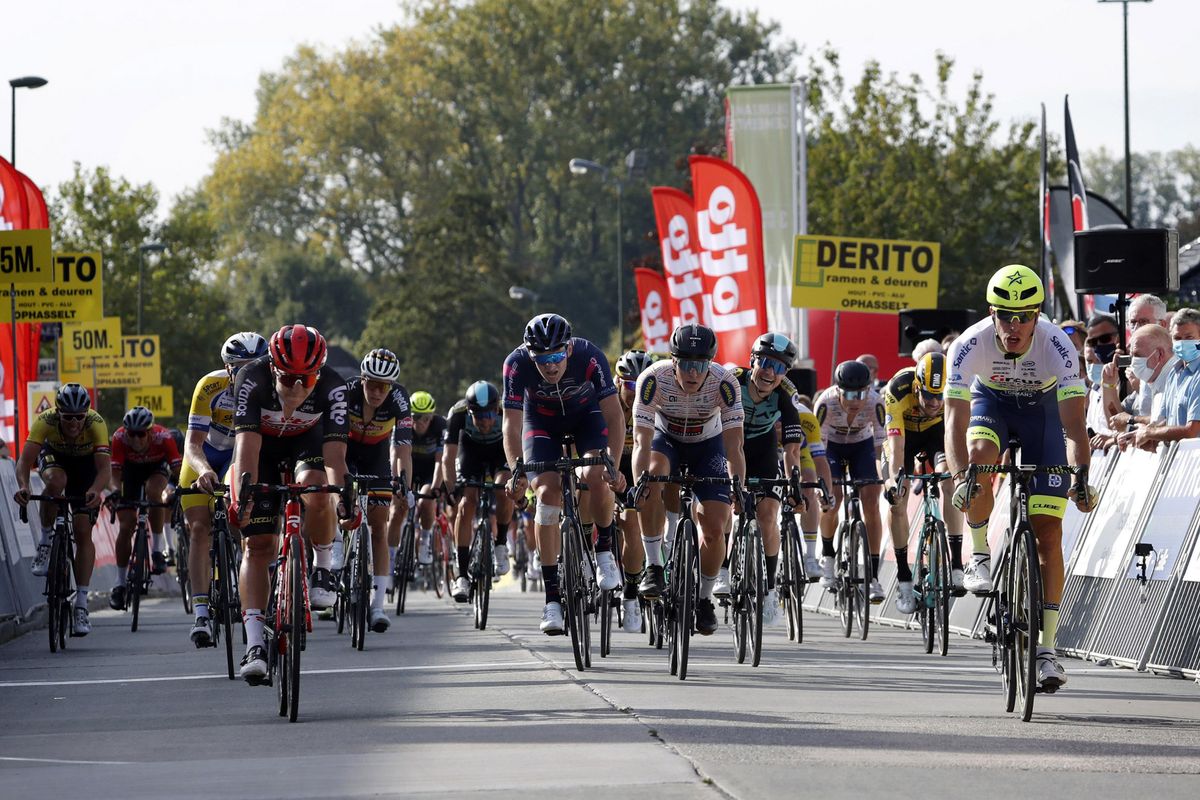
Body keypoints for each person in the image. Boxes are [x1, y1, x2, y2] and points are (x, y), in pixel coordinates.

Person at [945, 264, 1098, 690]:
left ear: (1036, 316)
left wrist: (1080, 474)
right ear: (991, 313)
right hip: (990, 403)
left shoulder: (1058, 345)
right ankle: (978, 555)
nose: (1014, 326)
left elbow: (1073, 425)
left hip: (1044, 413)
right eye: (1005, 315)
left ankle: (1047, 650)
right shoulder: (967, 345)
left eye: (1024, 316)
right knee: (978, 459)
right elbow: (954, 424)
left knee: (1049, 533)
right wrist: (961, 477)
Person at [230, 324, 350, 681]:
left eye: (306, 379)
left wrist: (342, 497)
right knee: (258, 544)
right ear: (272, 369)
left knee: (318, 488)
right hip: (263, 450)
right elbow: (246, 452)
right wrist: (243, 498)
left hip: (307, 446)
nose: (297, 387)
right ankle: (254, 645)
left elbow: (335, 458)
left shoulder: (333, 387)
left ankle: (323, 567)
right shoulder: (251, 380)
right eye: (288, 378)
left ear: (319, 373)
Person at [502, 314, 626, 635]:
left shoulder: (589, 355)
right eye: (542, 359)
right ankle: (553, 599)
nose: (551, 366)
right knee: (546, 493)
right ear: (530, 355)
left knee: (597, 474)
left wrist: (613, 460)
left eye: (556, 357)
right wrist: (516, 469)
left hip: (587, 418)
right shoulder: (515, 364)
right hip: (541, 424)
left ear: (568, 349)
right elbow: (511, 425)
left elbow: (614, 414)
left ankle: (603, 552)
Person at [629, 323, 744, 636]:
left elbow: (734, 445)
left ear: (710, 363)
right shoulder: (653, 379)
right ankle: (654, 566)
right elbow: (641, 440)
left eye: (701, 365)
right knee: (652, 477)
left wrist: (738, 487)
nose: (693, 373)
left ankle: (704, 598)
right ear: (673, 360)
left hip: (709, 445)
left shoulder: (725, 382)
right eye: (686, 364)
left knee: (716, 526)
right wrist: (639, 482)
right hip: (666, 441)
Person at [180, 331, 267, 646]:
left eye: (253, 365)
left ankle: (252, 604)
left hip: (241, 458)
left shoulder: (267, 387)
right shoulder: (210, 386)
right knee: (199, 528)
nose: (245, 372)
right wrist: (203, 471)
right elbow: (192, 444)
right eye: (238, 366)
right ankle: (201, 612)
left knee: (248, 528)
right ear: (227, 368)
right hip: (207, 455)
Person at [729, 332, 822, 626]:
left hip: (763, 446)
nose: (770, 372)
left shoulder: (786, 394)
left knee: (769, 513)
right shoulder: (731, 380)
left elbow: (792, 449)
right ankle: (720, 570)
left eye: (779, 367)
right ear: (752, 360)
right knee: (723, 504)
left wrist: (794, 486)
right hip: (727, 441)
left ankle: (768, 589)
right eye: (766, 363)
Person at [13, 384, 110, 636]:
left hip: (85, 467)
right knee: (56, 483)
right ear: (58, 413)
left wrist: (96, 490)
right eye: (68, 417)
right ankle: (45, 544)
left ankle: (81, 605)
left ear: (86, 413)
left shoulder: (96, 423)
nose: (75, 422)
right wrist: (24, 487)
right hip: (55, 458)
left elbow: (104, 470)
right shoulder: (45, 420)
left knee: (82, 531)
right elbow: (23, 461)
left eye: (80, 416)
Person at [882, 351, 965, 612]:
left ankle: (957, 564)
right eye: (929, 395)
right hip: (904, 437)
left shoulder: (953, 388)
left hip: (935, 434)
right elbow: (896, 446)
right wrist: (895, 481)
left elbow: (958, 432)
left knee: (949, 481)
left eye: (939, 396)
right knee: (899, 499)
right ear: (917, 387)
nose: (934, 402)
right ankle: (904, 578)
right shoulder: (897, 388)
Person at [343, 348, 413, 633]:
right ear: (362, 380)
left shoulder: (399, 398)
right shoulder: (347, 391)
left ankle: (378, 606)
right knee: (339, 505)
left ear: (391, 386)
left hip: (377, 455)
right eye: (371, 384)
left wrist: (402, 481)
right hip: (345, 449)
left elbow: (402, 447)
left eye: (383, 386)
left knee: (378, 528)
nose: (376, 392)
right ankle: (335, 553)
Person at [814, 361, 886, 602]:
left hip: (862, 445)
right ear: (838, 390)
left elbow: (880, 449)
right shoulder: (825, 403)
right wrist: (823, 486)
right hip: (831, 447)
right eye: (850, 394)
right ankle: (828, 555)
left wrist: (884, 478)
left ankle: (873, 576)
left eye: (861, 393)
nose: (856, 401)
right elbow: (818, 451)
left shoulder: (876, 402)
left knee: (872, 503)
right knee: (833, 499)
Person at [442, 381, 514, 601]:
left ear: (496, 410)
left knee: (504, 489)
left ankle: (501, 544)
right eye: (479, 416)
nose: (485, 421)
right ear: (470, 411)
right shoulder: (458, 413)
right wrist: (450, 488)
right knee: (466, 504)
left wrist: (519, 485)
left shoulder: (507, 410)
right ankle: (461, 575)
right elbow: (448, 457)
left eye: (490, 415)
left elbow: (518, 451)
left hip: (499, 451)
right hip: (470, 451)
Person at [107, 406, 182, 611]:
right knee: (126, 525)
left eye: (141, 434)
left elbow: (178, 470)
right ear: (126, 432)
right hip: (130, 473)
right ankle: (119, 584)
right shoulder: (119, 438)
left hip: (156, 469)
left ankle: (158, 550)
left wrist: (182, 490)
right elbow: (114, 476)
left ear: (150, 432)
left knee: (153, 492)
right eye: (132, 434)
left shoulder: (163, 437)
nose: (137, 439)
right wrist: (114, 491)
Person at [614, 349, 653, 632]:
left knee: (633, 522)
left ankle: (631, 589)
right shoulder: (607, 404)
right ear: (618, 383)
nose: (635, 391)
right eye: (629, 385)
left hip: (642, 466)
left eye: (641, 385)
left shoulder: (654, 401)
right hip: (613, 465)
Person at [1123, 308, 1200, 450]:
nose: (1182, 343)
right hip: (1177, 464)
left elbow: (1191, 431)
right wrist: (1139, 434)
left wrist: (1149, 433)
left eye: (1189, 337)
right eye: (1177, 338)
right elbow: (1162, 424)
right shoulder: (1173, 374)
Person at [1107, 324, 1175, 446]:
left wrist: (1130, 420)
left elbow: (1176, 426)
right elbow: (1155, 429)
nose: (1132, 362)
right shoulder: (1155, 382)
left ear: (1159, 354)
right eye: (1131, 356)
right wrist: (1129, 434)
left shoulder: (1177, 380)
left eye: (1137, 355)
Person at [407, 390, 447, 566]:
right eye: (416, 417)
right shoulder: (403, 425)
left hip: (431, 470)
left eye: (426, 418)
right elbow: (396, 456)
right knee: (398, 503)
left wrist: (435, 488)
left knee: (426, 497)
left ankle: (425, 540)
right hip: (409, 466)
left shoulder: (439, 425)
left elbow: (440, 461)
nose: (421, 422)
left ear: (432, 417)